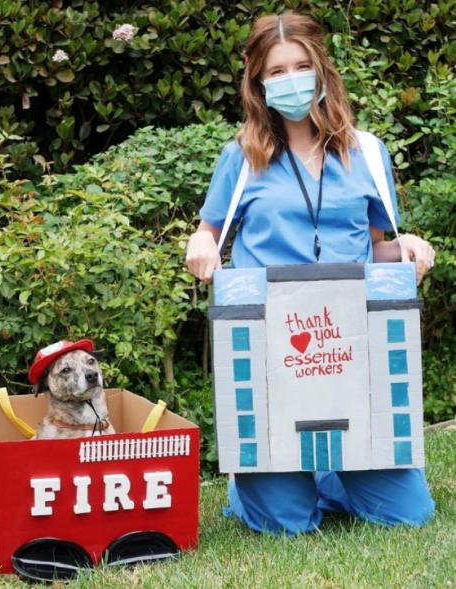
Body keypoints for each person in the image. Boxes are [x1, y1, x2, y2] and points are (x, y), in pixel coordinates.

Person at [186, 11, 436, 535]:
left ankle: (327, 471)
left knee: (410, 515)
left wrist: (406, 247)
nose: (291, 79)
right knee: (289, 524)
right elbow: (210, 234)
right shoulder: (240, 158)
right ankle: (272, 481)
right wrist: (200, 243)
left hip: (348, 348)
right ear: (257, 82)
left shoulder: (367, 153)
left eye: (301, 66)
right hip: (273, 353)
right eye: (277, 71)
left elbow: (374, 253)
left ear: (322, 71)